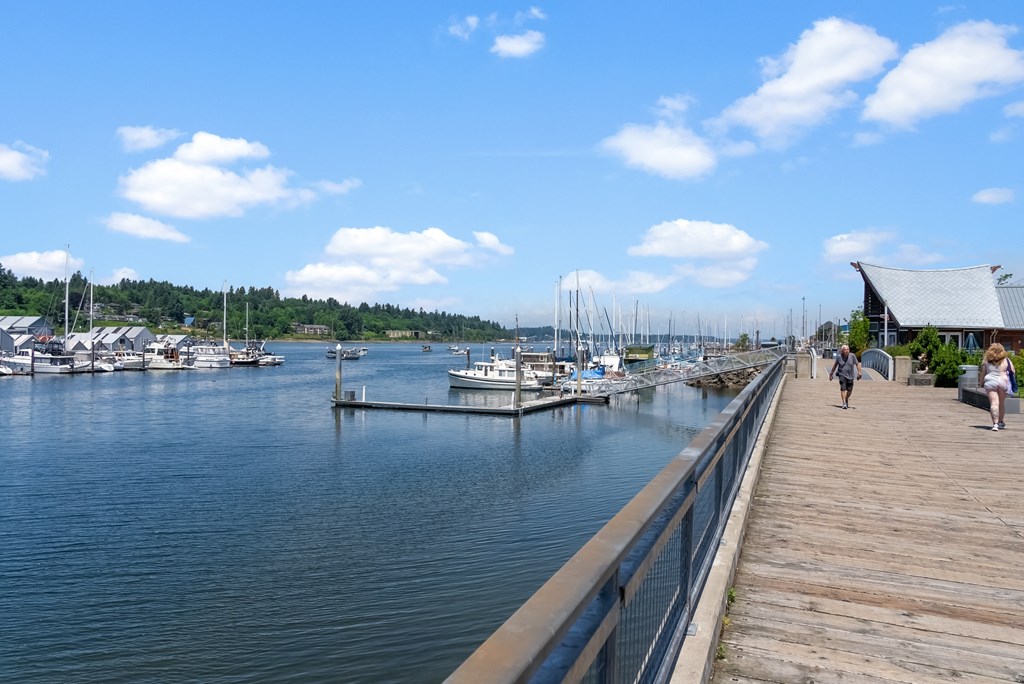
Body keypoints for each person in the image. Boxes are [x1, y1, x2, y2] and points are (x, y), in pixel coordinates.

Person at [978, 342, 1011, 431]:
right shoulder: (1006, 360)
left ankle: (995, 424)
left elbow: (983, 373)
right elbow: (1013, 371)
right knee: (1001, 404)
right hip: (1003, 382)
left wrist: (980, 383)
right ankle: (1001, 422)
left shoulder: (986, 360)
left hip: (990, 382)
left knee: (994, 403)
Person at [828, 344, 862, 409]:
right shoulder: (839, 357)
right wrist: (831, 373)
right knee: (843, 388)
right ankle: (844, 403)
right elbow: (835, 365)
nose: (846, 351)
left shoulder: (852, 356)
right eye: (845, 350)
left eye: (848, 349)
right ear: (842, 351)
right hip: (842, 375)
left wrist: (859, 372)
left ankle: (846, 398)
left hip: (851, 375)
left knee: (850, 390)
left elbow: (857, 364)